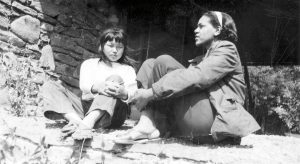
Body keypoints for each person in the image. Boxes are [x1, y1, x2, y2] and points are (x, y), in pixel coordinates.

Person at [114, 11, 260, 144]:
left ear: (217, 30)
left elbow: (197, 77)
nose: (196, 30)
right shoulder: (203, 57)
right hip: (196, 120)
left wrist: (150, 92)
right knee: (150, 64)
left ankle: (151, 125)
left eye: (201, 26)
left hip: (214, 122)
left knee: (164, 61)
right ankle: (148, 123)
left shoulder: (227, 49)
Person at [41, 27, 138, 139]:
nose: (115, 50)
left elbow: (133, 94)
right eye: (110, 46)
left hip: (113, 114)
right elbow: (84, 86)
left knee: (114, 79)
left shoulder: (127, 69)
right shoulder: (90, 64)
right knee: (50, 85)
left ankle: (86, 124)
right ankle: (76, 121)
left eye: (119, 47)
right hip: (87, 107)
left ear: (124, 49)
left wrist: (124, 93)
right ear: (101, 46)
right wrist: (97, 87)